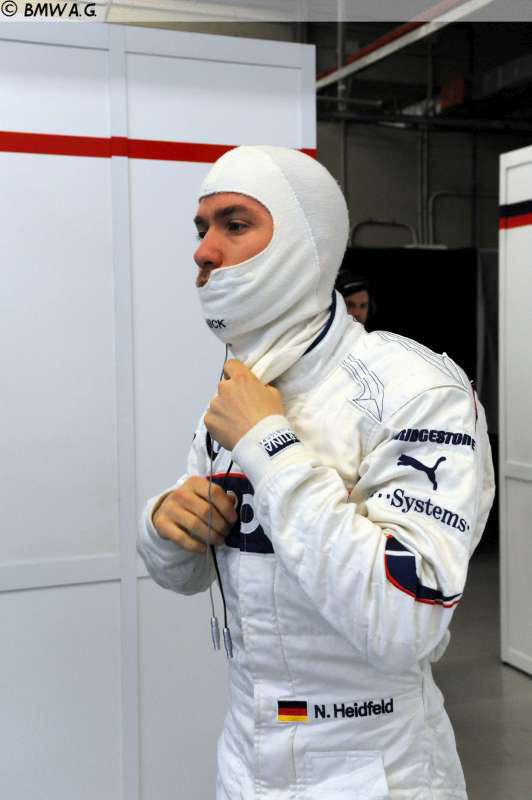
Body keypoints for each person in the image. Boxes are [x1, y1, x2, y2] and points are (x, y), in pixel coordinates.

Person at [137, 145, 495, 800]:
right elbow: (190, 573)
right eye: (201, 228)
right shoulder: (245, 387)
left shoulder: (415, 389)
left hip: (378, 769)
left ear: (306, 240)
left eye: (234, 224)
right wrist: (165, 526)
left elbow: (407, 622)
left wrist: (269, 445)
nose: (204, 250)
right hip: (246, 757)